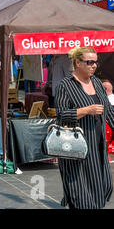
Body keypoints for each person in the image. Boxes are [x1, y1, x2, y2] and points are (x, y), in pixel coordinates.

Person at [55, 47, 114, 209]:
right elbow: (61, 115)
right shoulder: (65, 85)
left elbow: (107, 109)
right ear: (78, 63)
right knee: (80, 193)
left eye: (95, 62)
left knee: (98, 187)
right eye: (89, 62)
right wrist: (86, 110)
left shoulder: (96, 82)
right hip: (76, 148)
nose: (94, 65)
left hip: (98, 146)